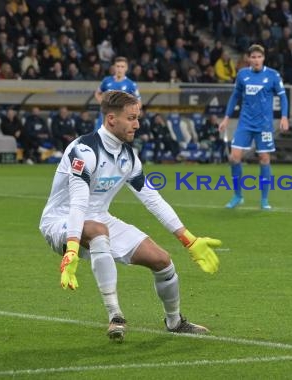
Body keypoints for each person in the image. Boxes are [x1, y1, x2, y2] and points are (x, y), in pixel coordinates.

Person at [39, 91, 221, 342]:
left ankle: (175, 321)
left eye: (138, 118)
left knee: (162, 261)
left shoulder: (128, 157)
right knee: (99, 232)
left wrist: (188, 239)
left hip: (99, 218)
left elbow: (152, 199)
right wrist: (71, 247)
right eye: (131, 118)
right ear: (111, 119)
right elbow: (78, 204)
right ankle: (115, 316)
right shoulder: (83, 151)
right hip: (61, 221)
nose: (137, 124)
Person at [219, 44, 289, 210]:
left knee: (264, 159)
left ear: (263, 58)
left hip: (264, 125)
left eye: (259, 57)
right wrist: (226, 118)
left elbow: (283, 97)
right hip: (245, 123)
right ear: (248, 59)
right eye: (253, 57)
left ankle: (264, 199)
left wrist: (284, 117)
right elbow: (235, 96)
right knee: (234, 157)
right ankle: (237, 195)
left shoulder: (272, 75)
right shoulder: (243, 74)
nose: (256, 60)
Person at [93, 56, 141, 131]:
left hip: (120, 120)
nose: (119, 69)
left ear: (126, 68)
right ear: (114, 67)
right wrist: (102, 103)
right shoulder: (106, 81)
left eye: (122, 67)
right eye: (118, 66)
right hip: (104, 118)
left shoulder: (131, 84)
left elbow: (139, 102)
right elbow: (97, 93)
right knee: (97, 140)